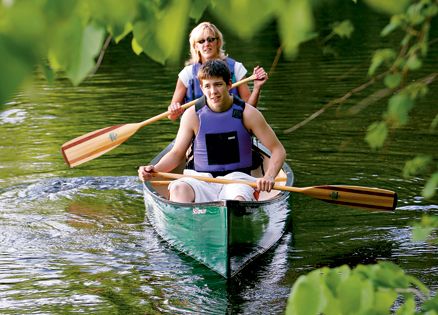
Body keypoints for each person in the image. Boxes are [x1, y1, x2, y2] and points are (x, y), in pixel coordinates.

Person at [138, 60, 286, 203]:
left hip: (238, 180)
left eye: (218, 85)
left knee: (237, 200)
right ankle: (186, 222)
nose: (213, 91)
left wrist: (269, 176)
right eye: (207, 86)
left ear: (229, 85)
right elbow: (177, 154)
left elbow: (278, 149)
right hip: (200, 179)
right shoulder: (192, 115)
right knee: (177, 188)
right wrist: (154, 169)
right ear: (202, 88)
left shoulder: (248, 114)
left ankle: (234, 214)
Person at [168, 21, 268, 120]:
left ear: (218, 42)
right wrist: (175, 111)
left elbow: (250, 109)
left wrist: (257, 88)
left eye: (210, 39)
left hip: (232, 124)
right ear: (195, 46)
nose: (206, 44)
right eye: (201, 41)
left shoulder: (236, 68)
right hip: (199, 129)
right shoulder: (187, 74)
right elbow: (172, 116)